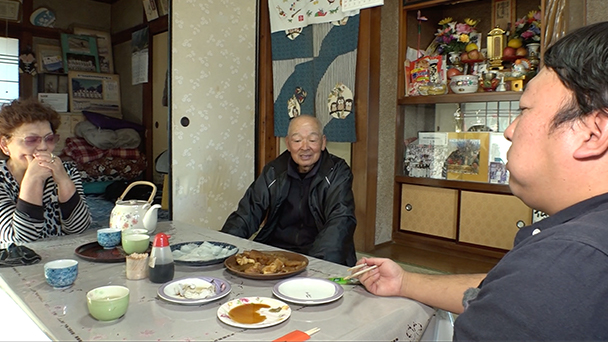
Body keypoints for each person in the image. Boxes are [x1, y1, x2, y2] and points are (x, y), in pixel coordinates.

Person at [354, 21, 608, 340]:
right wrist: (403, 282)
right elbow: (500, 289)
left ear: (592, 134)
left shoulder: (567, 261)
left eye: (525, 110)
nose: (509, 130)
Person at [221, 115, 357, 266]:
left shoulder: (336, 171)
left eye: (312, 140)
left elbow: (341, 220)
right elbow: (248, 212)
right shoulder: (274, 171)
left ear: (323, 142)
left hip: (318, 254)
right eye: (297, 140)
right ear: (288, 143)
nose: (305, 147)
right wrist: (223, 250)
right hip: (277, 252)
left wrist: (319, 266)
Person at [0, 98, 91, 248]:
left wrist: (63, 181)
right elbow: (20, 239)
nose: (43, 147)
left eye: (49, 139)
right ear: (5, 145)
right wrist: (33, 179)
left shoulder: (67, 170)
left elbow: (79, 228)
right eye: (31, 140)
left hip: (61, 260)